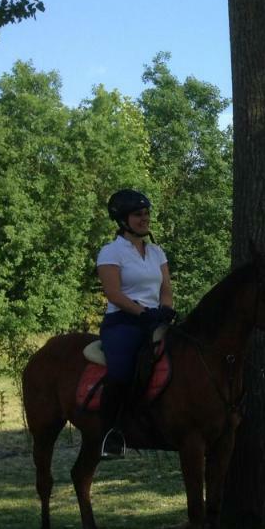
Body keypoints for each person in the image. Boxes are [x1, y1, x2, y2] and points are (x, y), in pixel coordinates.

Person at [96, 189, 176, 458]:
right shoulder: (111, 252)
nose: (145, 219)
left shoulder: (156, 252)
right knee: (120, 371)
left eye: (146, 213)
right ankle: (111, 432)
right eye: (138, 215)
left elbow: (166, 287)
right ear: (122, 220)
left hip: (155, 319)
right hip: (123, 322)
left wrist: (165, 309)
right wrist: (142, 313)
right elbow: (114, 293)